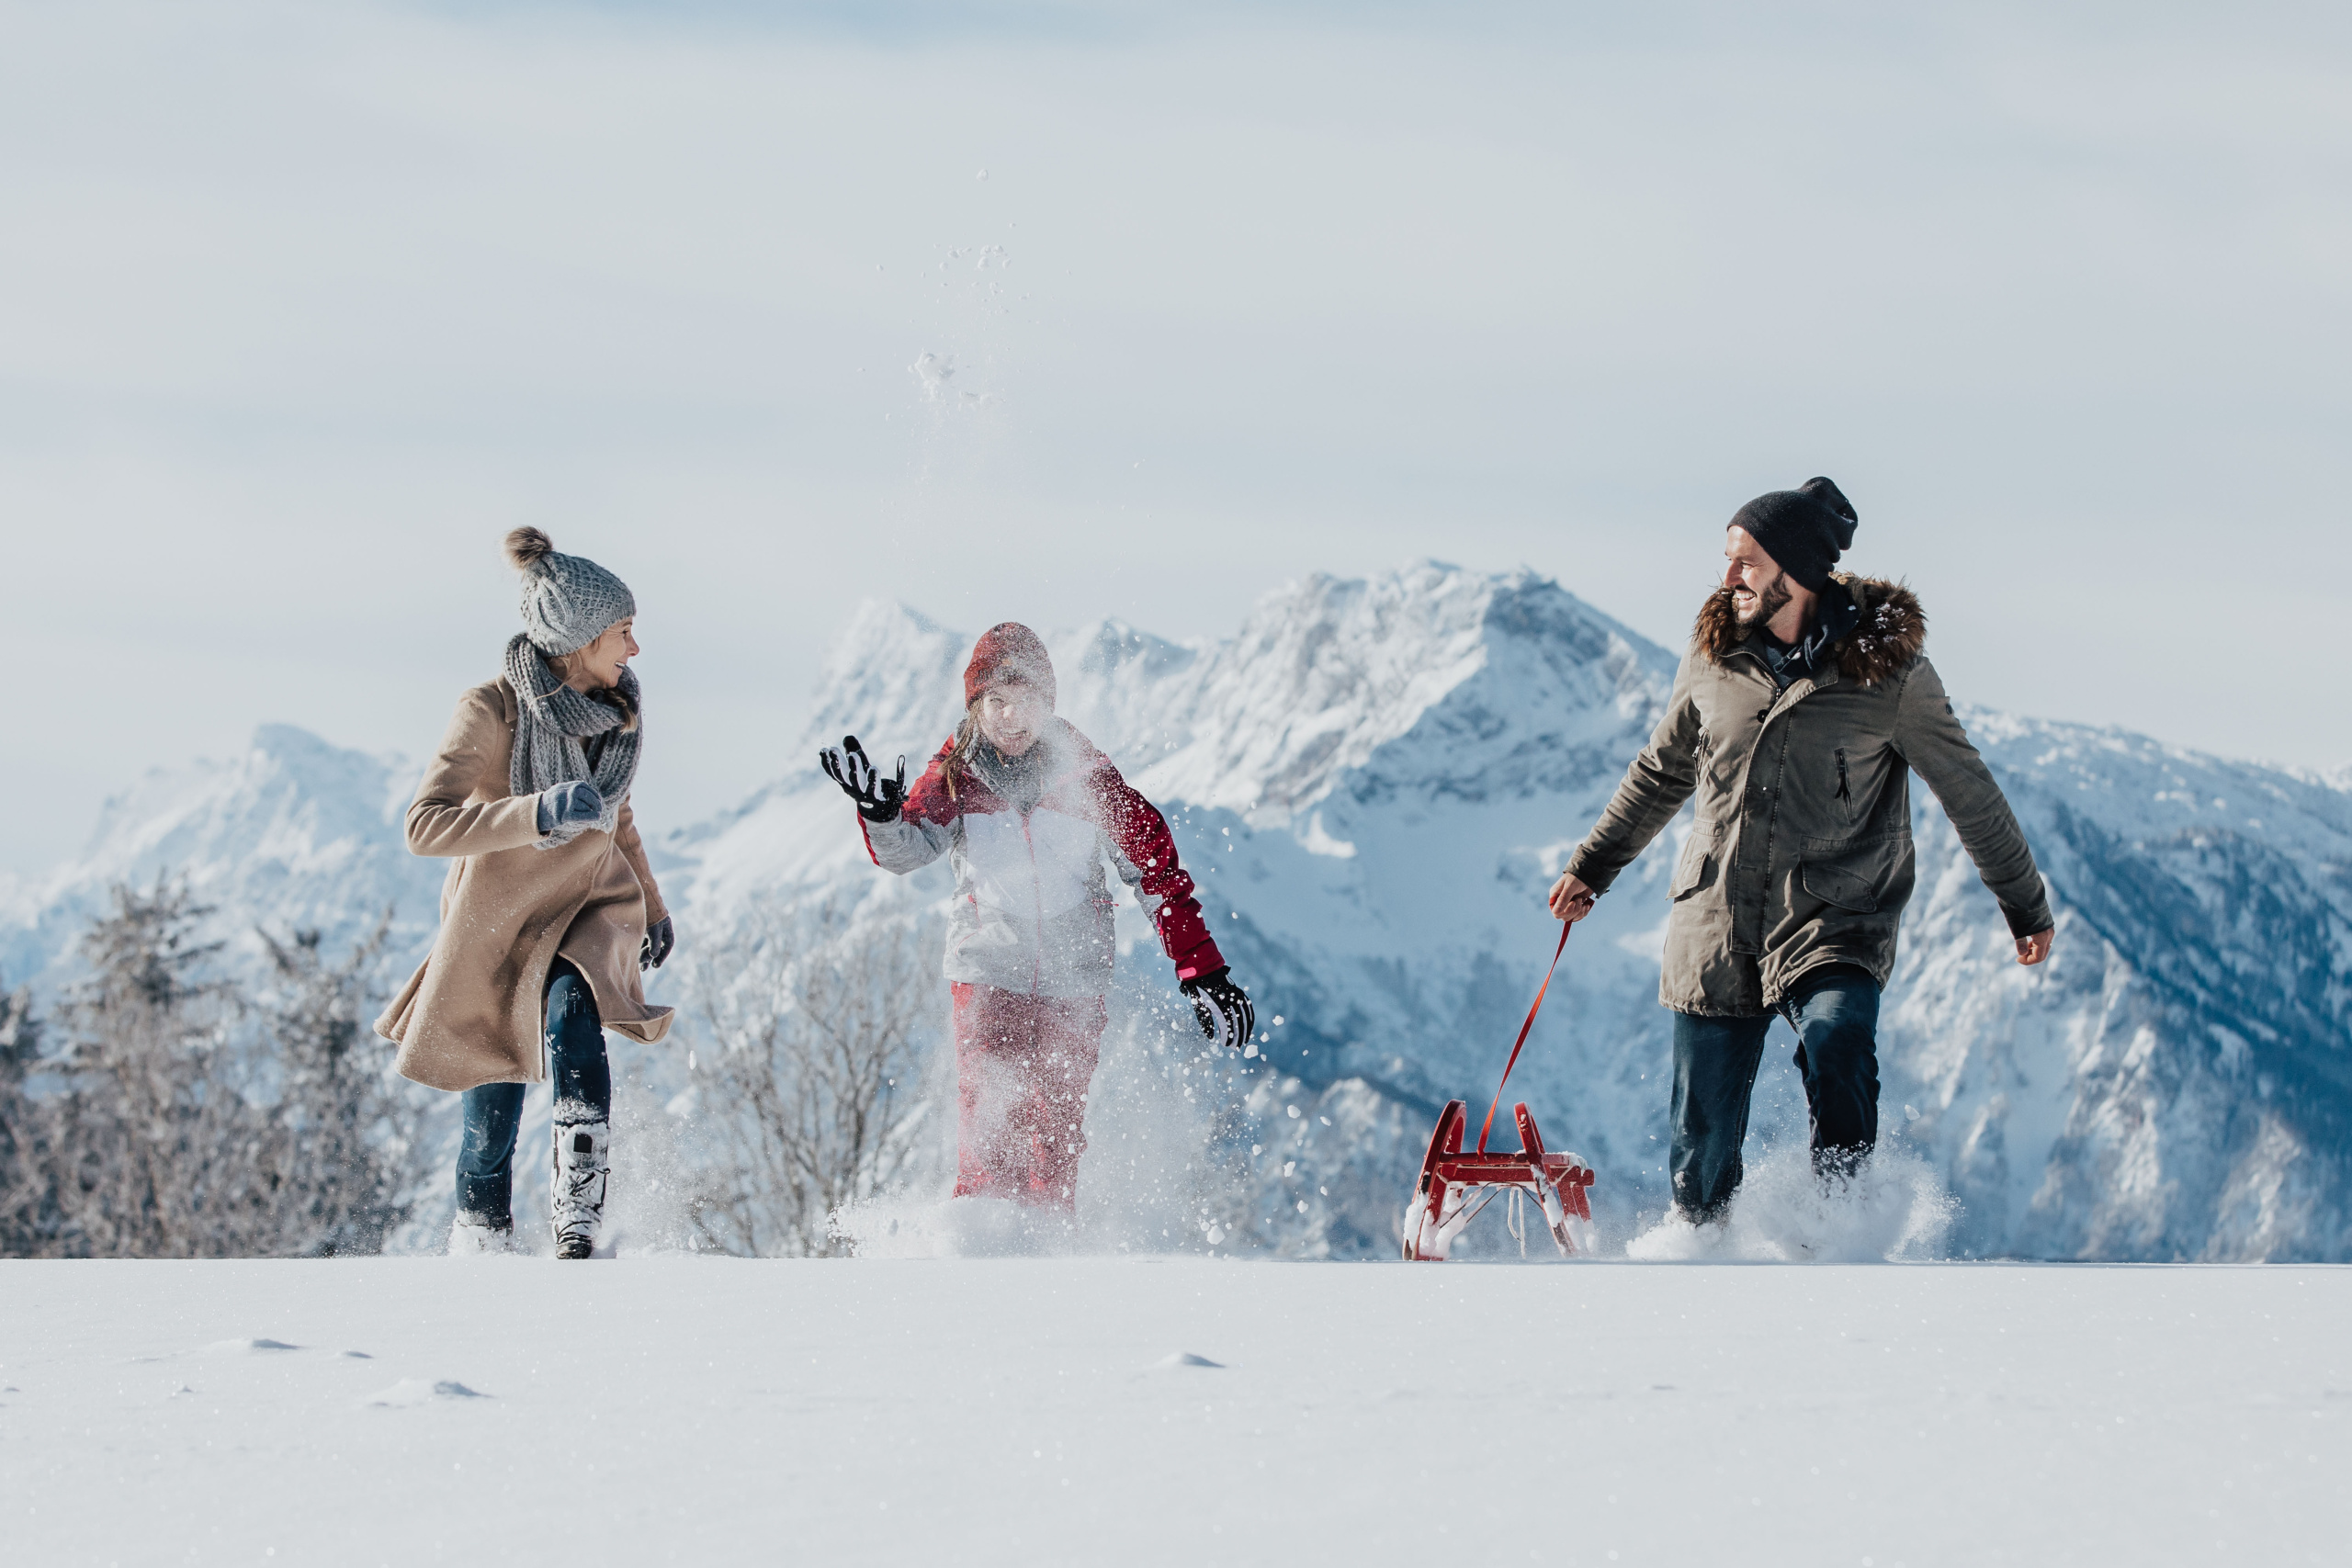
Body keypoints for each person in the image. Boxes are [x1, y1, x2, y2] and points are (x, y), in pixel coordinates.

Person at [1547, 478, 2053, 1224]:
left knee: (1838, 1041)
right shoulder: (1713, 657)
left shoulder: (1889, 674)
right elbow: (1661, 770)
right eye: (1728, 558)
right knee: (1701, 1156)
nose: (1728, 576)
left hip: (1833, 918)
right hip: (1716, 919)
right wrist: (1592, 866)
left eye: (1747, 562)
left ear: (1799, 571)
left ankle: (1841, 1226)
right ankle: (1703, 1255)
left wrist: (2024, 904)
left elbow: (1968, 789)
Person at [820, 623, 1253, 1212]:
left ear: (1047, 703)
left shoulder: (1086, 774)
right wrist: (879, 814)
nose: (1010, 717)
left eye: (1023, 700)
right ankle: (977, 1237)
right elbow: (909, 848)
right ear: (976, 707)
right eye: (995, 701)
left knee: (1054, 1135)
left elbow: (1154, 869)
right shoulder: (956, 774)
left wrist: (1202, 970)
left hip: (1073, 977)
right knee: (989, 1122)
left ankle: (1049, 1246)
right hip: (987, 965)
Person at [375, 528, 677, 1258]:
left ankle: (579, 1209)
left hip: (588, 905)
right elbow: (424, 825)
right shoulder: (491, 708)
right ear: (580, 638)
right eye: (624, 631)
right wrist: (534, 813)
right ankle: (482, 1244)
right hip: (500, 922)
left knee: (576, 1012)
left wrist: (653, 903)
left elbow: (616, 814)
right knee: (490, 1122)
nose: (635, 649)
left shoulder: (617, 714)